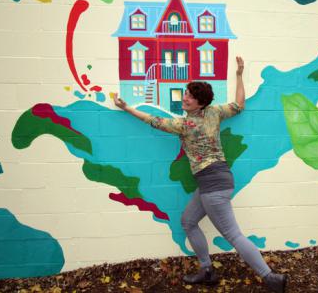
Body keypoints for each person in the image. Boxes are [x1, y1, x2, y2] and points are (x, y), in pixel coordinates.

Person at [113, 56, 287, 293]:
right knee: (188, 221)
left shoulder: (184, 125)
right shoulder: (214, 113)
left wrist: (126, 108)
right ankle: (207, 270)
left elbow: (152, 120)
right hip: (214, 182)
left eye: (190, 97)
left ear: (199, 103)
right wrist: (238, 75)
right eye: (186, 93)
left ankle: (271, 278)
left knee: (233, 235)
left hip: (213, 185)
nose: (185, 98)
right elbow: (239, 105)